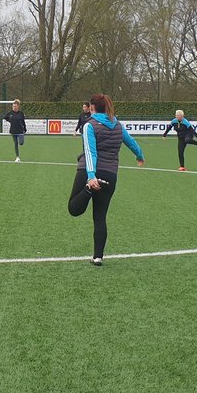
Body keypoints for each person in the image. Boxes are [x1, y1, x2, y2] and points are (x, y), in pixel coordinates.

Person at [68, 94, 145, 266]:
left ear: (92, 108)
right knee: (100, 217)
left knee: (74, 209)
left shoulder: (90, 125)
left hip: (89, 173)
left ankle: (88, 189)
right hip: (110, 174)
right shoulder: (117, 124)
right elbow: (131, 142)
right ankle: (98, 257)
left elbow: (90, 152)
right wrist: (140, 155)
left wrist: (91, 176)